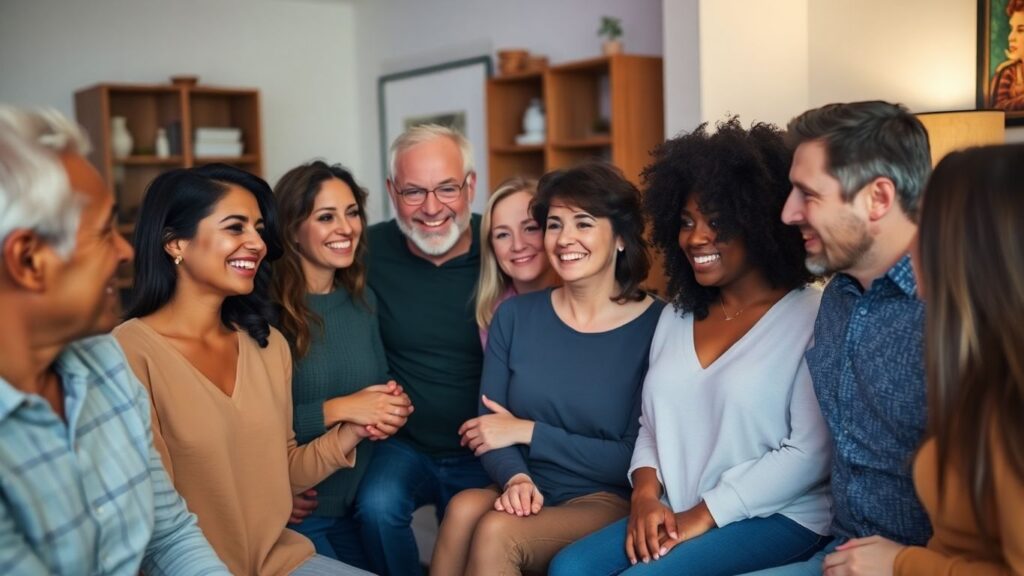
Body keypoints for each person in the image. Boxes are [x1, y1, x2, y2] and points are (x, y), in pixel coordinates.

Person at [550, 119, 832, 576]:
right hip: (677, 505)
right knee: (569, 568)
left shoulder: (812, 317)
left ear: (759, 223)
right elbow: (650, 425)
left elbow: (810, 454)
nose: (695, 238)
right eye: (685, 222)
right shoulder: (677, 315)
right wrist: (644, 495)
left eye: (717, 222)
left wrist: (703, 515)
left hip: (780, 517)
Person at [0, 106, 228, 574]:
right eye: (104, 232)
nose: (126, 251)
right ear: (28, 260)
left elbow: (170, 536)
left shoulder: (105, 360)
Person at [112, 164, 371, 575]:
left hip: (279, 561)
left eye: (259, 228)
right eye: (236, 228)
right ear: (175, 242)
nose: (258, 243)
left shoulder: (267, 344)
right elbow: (153, 516)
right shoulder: (128, 354)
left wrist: (351, 432)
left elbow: (280, 472)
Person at [430, 161, 665, 576]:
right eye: (554, 225)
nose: (565, 238)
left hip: (603, 498)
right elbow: (490, 426)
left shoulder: (659, 325)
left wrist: (528, 431)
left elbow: (631, 457)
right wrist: (516, 479)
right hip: (529, 481)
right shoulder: (515, 316)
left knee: (497, 530)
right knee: (464, 507)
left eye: (583, 223)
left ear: (623, 238)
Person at [818, 144, 1024, 575]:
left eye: (925, 228)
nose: (911, 245)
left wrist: (901, 563)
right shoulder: (980, 367)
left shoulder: (1009, 401)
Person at [746, 101, 933, 576]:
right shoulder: (837, 299)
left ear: (878, 198)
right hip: (837, 552)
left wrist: (909, 563)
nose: (788, 213)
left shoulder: (957, 314)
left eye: (807, 194)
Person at [355, 124, 491, 575]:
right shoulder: (363, 250)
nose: (431, 209)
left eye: (447, 188)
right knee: (375, 509)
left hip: (485, 449)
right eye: (414, 192)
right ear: (392, 192)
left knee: (478, 542)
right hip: (403, 444)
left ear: (470, 186)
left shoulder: (504, 249)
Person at [272, 159, 413, 568]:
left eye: (352, 213)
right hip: (304, 512)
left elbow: (379, 381)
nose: (346, 228)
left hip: (361, 498)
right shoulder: (267, 314)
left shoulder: (360, 300)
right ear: (292, 230)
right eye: (326, 217)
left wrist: (391, 406)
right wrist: (343, 409)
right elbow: (254, 424)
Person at [475, 176, 557, 347]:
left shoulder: (584, 299)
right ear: (491, 246)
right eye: (503, 235)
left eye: (530, 228)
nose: (518, 245)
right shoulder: (495, 315)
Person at [989, 0, 1024, 111]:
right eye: (1011, 29)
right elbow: (998, 108)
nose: (1010, 37)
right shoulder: (1008, 72)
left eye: (1020, 30)